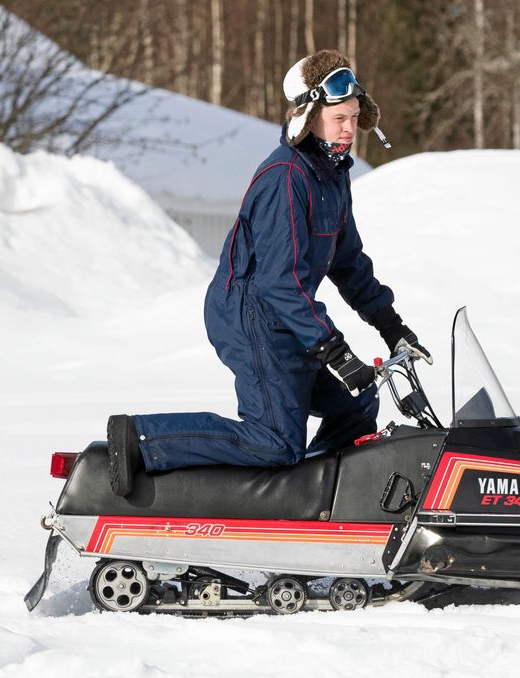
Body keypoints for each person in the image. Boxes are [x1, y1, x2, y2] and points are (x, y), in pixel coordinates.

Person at [105, 50, 429, 497]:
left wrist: (392, 327)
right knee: (274, 441)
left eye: (355, 117)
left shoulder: (332, 176)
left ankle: (311, 497)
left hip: (289, 318)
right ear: (310, 116)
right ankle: (141, 437)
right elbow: (281, 280)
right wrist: (333, 349)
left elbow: (349, 262)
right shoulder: (286, 177)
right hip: (250, 315)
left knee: (357, 402)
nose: (349, 129)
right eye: (339, 118)